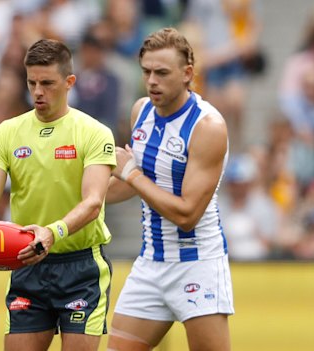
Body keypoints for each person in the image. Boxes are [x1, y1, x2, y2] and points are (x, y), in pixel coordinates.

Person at [0, 39, 117, 351]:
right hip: (28, 264)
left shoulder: (94, 132)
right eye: (32, 83)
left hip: (81, 267)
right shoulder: (7, 132)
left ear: (69, 82)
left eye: (47, 83)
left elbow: (93, 202)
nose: (38, 91)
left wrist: (52, 232)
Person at [106, 28, 234, 351]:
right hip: (151, 262)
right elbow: (131, 184)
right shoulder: (141, 111)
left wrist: (131, 174)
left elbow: (187, 214)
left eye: (161, 73)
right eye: (146, 71)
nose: (151, 81)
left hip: (198, 263)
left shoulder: (208, 127)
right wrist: (81, 199)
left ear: (187, 73)